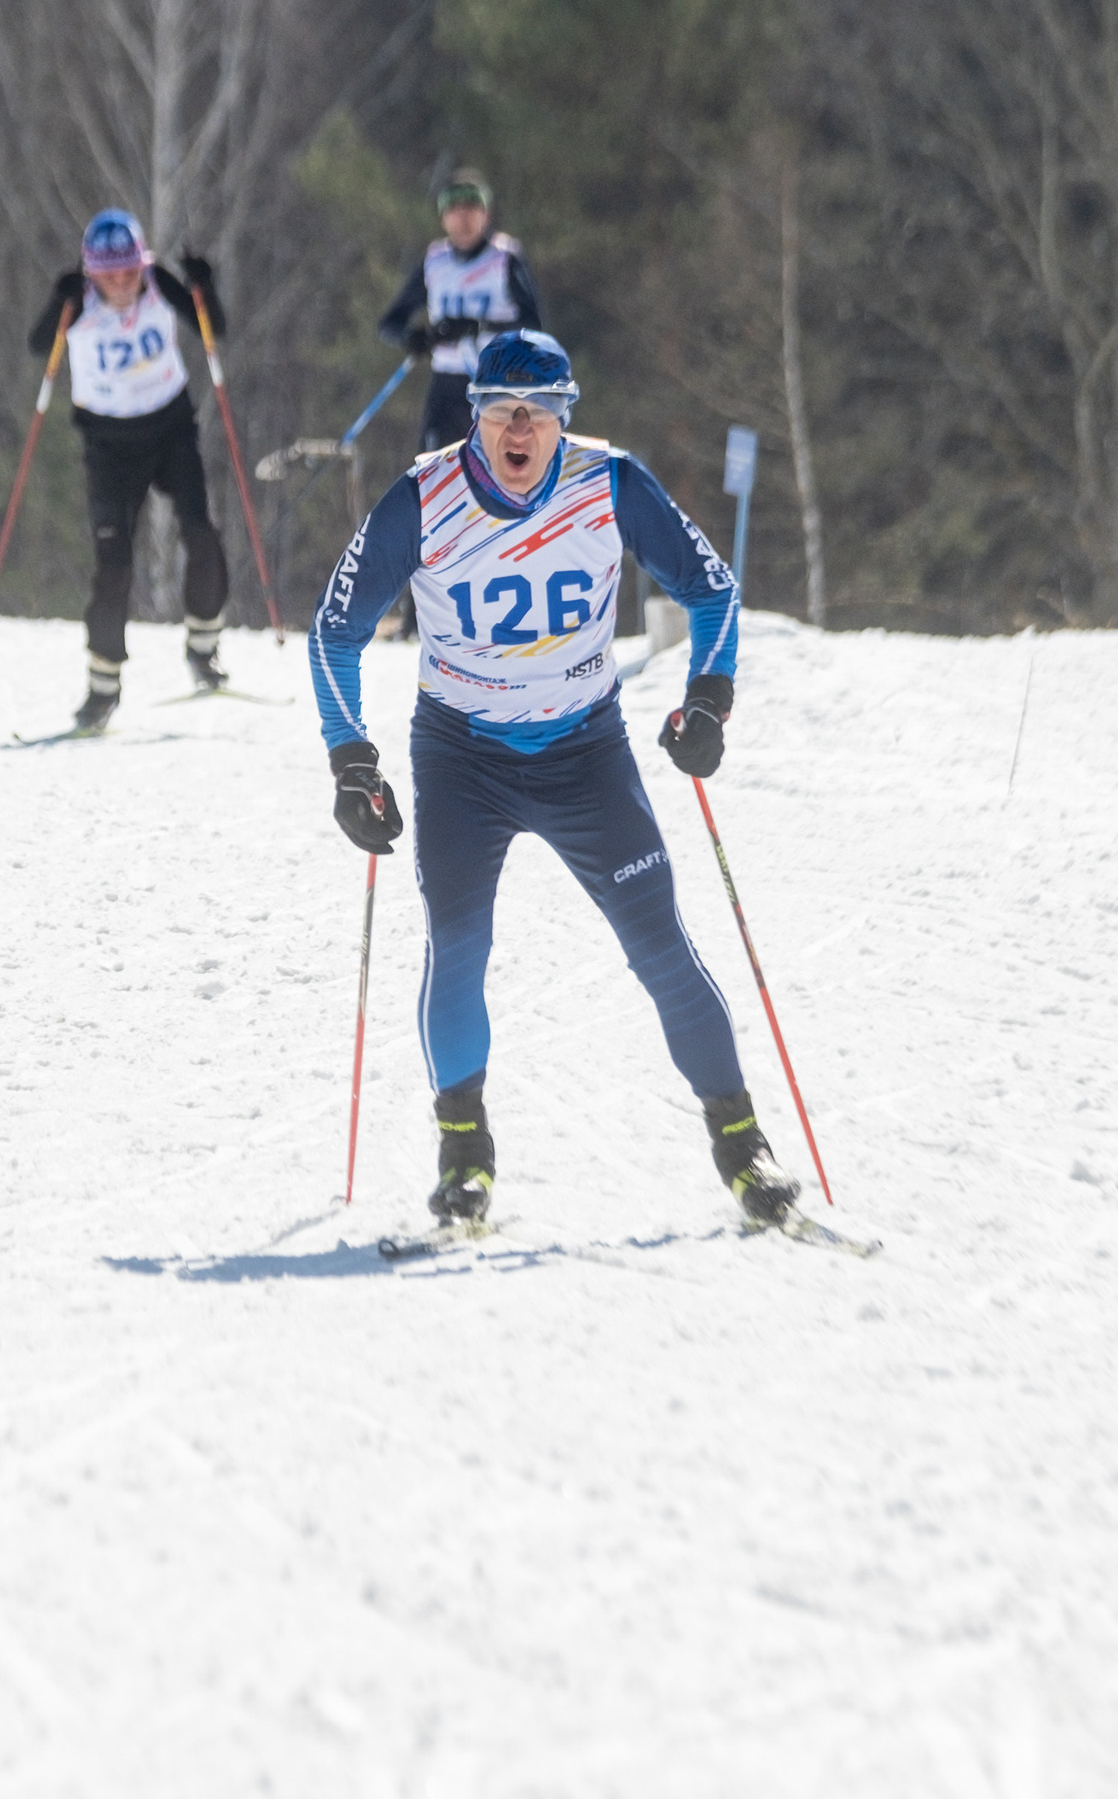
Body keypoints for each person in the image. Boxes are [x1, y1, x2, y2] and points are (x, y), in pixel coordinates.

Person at [307, 329, 799, 1231]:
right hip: (462, 758)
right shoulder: (424, 497)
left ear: (567, 416)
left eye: (541, 412)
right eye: (503, 412)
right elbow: (334, 631)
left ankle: (743, 1147)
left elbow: (713, 590)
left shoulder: (608, 484)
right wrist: (352, 762)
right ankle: (464, 1157)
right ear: (477, 419)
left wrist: (709, 701)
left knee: (661, 945)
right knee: (458, 945)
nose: (521, 429)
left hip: (585, 753)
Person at [28, 209, 232, 732]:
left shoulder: (157, 283)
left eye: (129, 271)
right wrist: (59, 298)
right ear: (91, 270)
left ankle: (204, 650)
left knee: (201, 533)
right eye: (108, 273)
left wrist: (203, 288)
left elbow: (215, 329)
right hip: (109, 445)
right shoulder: (79, 298)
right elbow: (38, 346)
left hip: (170, 428)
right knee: (114, 565)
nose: (121, 282)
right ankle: (102, 690)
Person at [375, 169, 545, 462]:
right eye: (454, 210)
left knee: (498, 472)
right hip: (448, 387)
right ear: (443, 218)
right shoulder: (435, 261)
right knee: (433, 469)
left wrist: (480, 326)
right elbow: (389, 324)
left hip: (498, 383)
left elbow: (533, 323)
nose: (463, 218)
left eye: (471, 209)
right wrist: (415, 338)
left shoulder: (504, 257)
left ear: (486, 214)